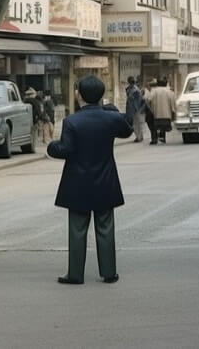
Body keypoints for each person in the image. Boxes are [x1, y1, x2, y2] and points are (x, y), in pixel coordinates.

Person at [47, 75, 132, 285]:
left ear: (80, 95)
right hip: (105, 180)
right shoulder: (111, 118)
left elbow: (66, 150)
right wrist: (112, 111)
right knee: (105, 227)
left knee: (77, 230)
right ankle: (109, 272)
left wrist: (52, 147)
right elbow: (127, 130)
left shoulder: (72, 121)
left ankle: (75, 274)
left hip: (77, 183)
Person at [148, 77, 177, 144]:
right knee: (163, 126)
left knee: (156, 126)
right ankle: (163, 138)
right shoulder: (170, 92)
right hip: (167, 114)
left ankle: (155, 139)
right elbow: (173, 102)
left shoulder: (154, 91)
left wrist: (151, 108)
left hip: (156, 113)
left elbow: (148, 99)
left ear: (157, 83)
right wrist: (173, 112)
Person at [124, 76, 146, 142]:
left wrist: (138, 108)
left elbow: (140, 100)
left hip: (135, 108)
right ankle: (139, 136)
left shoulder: (135, 90)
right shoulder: (129, 89)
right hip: (132, 108)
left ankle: (139, 137)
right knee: (135, 123)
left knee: (136, 123)